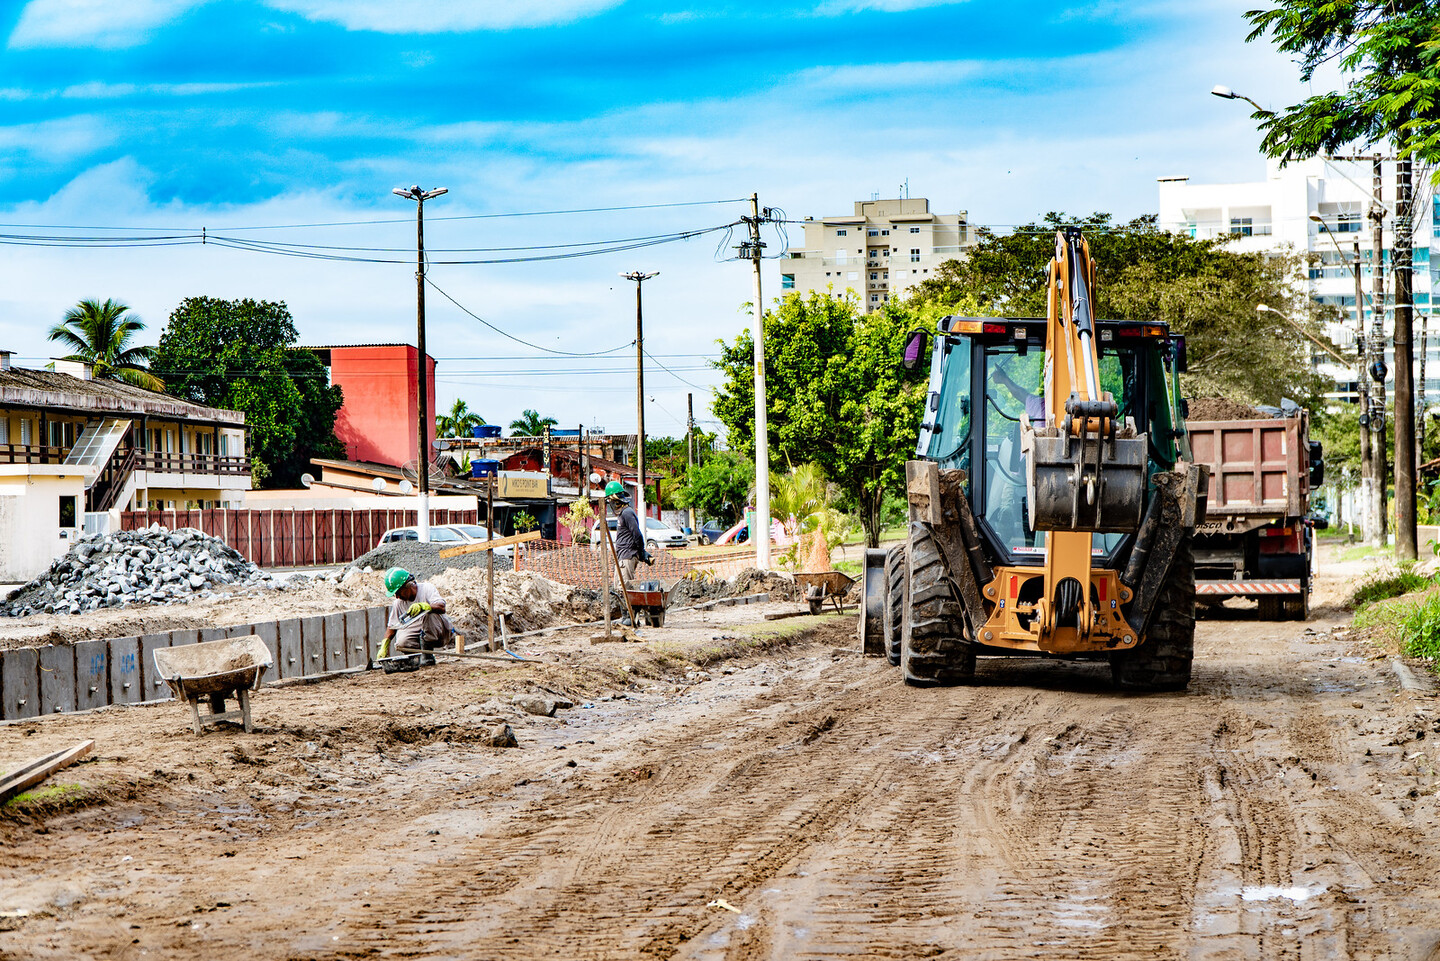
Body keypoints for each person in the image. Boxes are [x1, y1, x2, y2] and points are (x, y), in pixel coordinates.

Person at [379, 567, 454, 656]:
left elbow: (442, 607)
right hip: (418, 638)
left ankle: (427, 656)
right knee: (402, 642)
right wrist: (384, 645)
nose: (397, 597)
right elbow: (392, 627)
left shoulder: (427, 588)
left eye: (399, 592)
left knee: (429, 613)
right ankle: (416, 658)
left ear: (408, 586)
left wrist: (424, 606)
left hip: (440, 634)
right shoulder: (398, 603)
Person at [604, 480, 651, 582]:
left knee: (624, 586)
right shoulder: (623, 513)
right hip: (622, 556)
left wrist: (641, 551)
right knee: (618, 587)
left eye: (610, 500)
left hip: (627, 555)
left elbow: (637, 534)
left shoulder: (627, 513)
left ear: (615, 500)